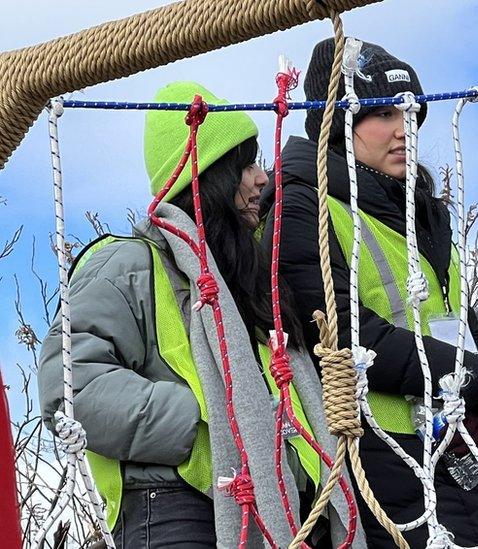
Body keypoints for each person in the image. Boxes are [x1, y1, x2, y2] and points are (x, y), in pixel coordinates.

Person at [38, 82, 355, 548]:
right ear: (210, 177)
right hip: (173, 508)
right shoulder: (127, 263)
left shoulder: (247, 281)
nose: (262, 178)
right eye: (245, 165)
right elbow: (69, 385)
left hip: (282, 508)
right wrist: (206, 421)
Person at [262, 38, 478, 547]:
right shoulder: (301, 207)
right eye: (381, 112)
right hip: (379, 450)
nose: (402, 128)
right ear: (334, 120)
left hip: (455, 437)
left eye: (410, 112)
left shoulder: (420, 209)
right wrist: (472, 378)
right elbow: (341, 335)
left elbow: (461, 315)